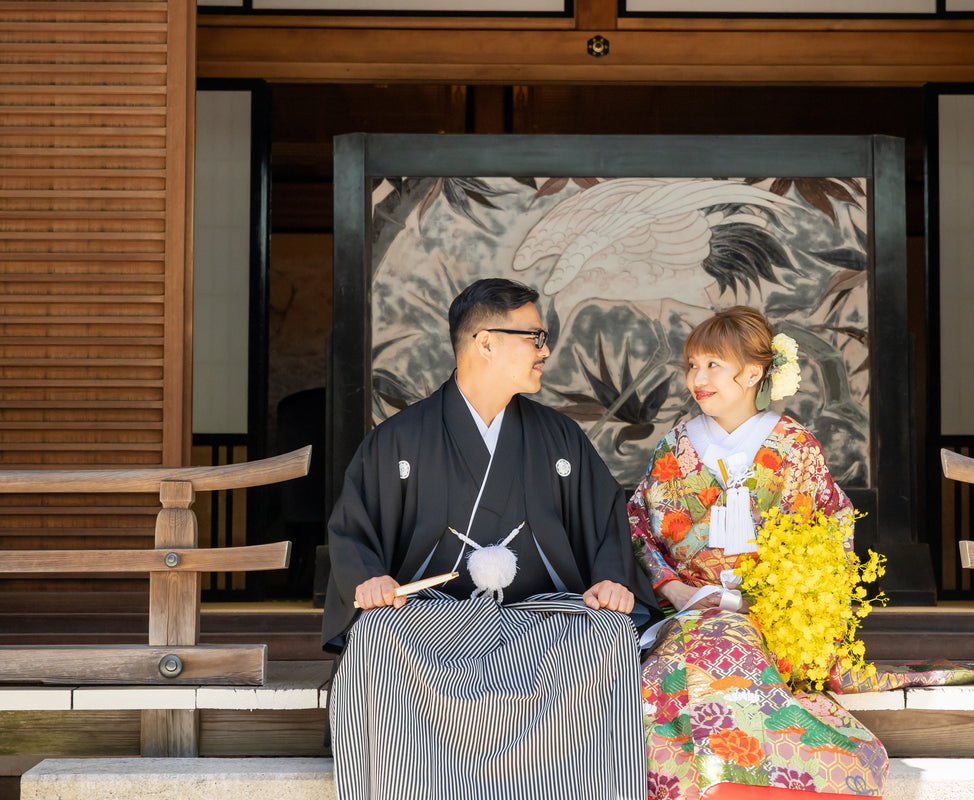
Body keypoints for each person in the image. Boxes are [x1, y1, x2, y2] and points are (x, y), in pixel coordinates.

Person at [323, 277, 660, 800]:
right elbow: (355, 530)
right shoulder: (399, 440)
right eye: (535, 337)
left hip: (544, 621)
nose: (545, 350)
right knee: (376, 640)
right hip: (428, 623)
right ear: (485, 342)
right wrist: (368, 580)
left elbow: (605, 524)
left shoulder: (559, 437)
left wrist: (613, 581)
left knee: (606, 637)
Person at [628, 306, 888, 800]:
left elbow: (828, 536)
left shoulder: (794, 447)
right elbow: (639, 523)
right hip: (685, 609)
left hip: (769, 619)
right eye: (691, 366)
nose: (696, 379)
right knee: (671, 669)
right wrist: (675, 587)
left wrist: (772, 604)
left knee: (719, 648)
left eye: (712, 366)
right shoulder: (673, 447)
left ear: (752, 373)